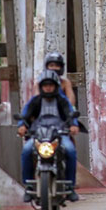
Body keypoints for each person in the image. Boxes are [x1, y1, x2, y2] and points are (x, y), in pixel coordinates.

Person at [18, 70, 80, 202]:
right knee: (26, 151)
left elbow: (70, 113)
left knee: (70, 150)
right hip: (39, 134)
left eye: (51, 85)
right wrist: (22, 125)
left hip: (59, 134)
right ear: (41, 87)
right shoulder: (35, 101)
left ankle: (70, 186)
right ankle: (28, 186)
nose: (48, 88)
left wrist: (73, 125)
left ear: (56, 86)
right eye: (45, 85)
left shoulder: (62, 101)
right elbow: (25, 115)